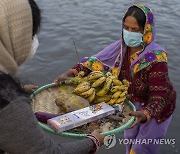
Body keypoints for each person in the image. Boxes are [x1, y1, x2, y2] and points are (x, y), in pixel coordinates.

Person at [54, 4, 176, 154]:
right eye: (126, 28)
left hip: (157, 108)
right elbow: (96, 63)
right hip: (131, 102)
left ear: (146, 31)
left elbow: (159, 96)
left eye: (135, 30)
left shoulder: (156, 59)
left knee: (143, 148)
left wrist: (146, 113)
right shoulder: (121, 48)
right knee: (129, 140)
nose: (129, 33)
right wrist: (71, 73)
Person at [0, 0, 105, 154]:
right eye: (30, 35)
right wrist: (93, 142)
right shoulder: (8, 101)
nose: (33, 42)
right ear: (15, 35)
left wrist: (19, 89)